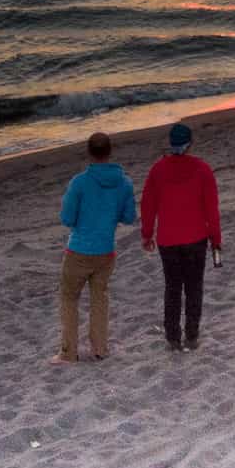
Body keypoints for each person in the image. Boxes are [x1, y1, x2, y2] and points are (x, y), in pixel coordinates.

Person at [52, 131, 136, 365]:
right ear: (109, 152)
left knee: (69, 298)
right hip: (105, 250)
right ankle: (99, 348)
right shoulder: (124, 183)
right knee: (100, 297)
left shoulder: (79, 183)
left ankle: (68, 352)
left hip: (79, 249)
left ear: (89, 153)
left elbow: (67, 218)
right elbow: (129, 217)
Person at [140, 122, 222, 352]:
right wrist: (216, 239)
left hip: (169, 239)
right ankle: (192, 334)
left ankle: (173, 336)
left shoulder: (158, 170)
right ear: (190, 143)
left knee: (173, 287)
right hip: (196, 237)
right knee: (194, 287)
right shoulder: (202, 169)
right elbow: (211, 209)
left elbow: (148, 206)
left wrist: (147, 234)